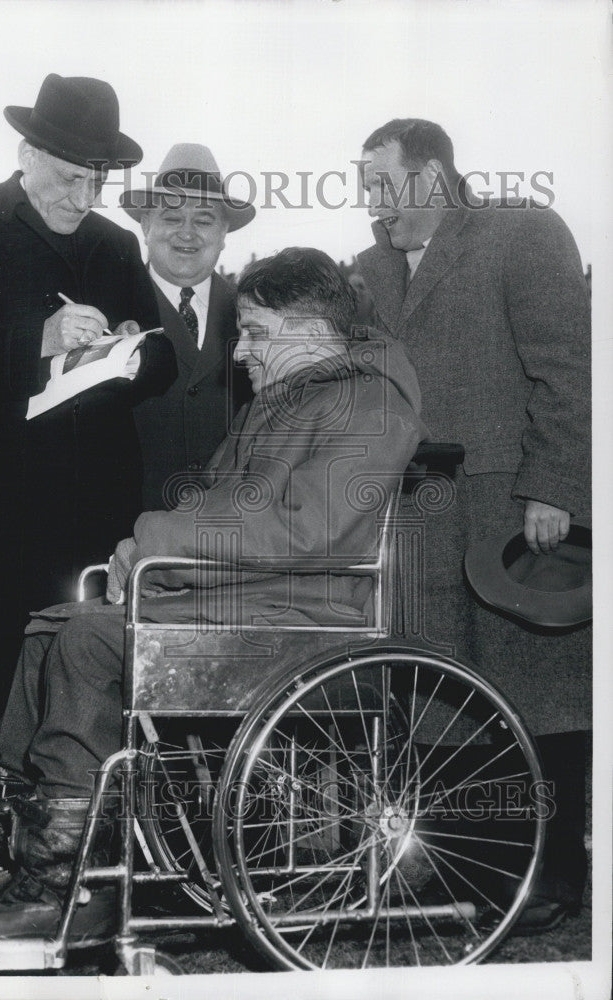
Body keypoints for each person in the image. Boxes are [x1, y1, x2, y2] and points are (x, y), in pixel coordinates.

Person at [0, 247, 427, 952]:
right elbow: (245, 524)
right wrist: (157, 558)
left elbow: (305, 532)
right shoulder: (297, 399)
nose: (239, 353)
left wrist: (155, 536)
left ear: (313, 332)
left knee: (84, 640)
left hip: (311, 622)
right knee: (53, 625)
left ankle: (63, 883)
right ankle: (0, 851)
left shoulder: (371, 403)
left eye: (256, 332)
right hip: (264, 602)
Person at [0, 76, 176, 794]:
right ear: (27, 152)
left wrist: (126, 347)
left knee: (77, 679)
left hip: (93, 511)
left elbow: (163, 359)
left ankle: (67, 836)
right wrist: (39, 340)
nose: (83, 200)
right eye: (71, 179)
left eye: (98, 183)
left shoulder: (113, 246)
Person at [356, 118, 591, 931]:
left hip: (514, 511)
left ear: (433, 176)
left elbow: (568, 367)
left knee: (541, 693)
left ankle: (553, 874)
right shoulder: (367, 270)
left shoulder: (523, 233)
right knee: (439, 696)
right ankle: (465, 868)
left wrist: (554, 486)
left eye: (382, 181)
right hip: (415, 514)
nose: (371, 201)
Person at [121, 143, 254, 510]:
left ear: (224, 232)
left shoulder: (257, 317)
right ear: (146, 225)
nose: (187, 233)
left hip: (230, 539)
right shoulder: (107, 309)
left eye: (204, 220)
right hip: (126, 538)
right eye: (171, 218)